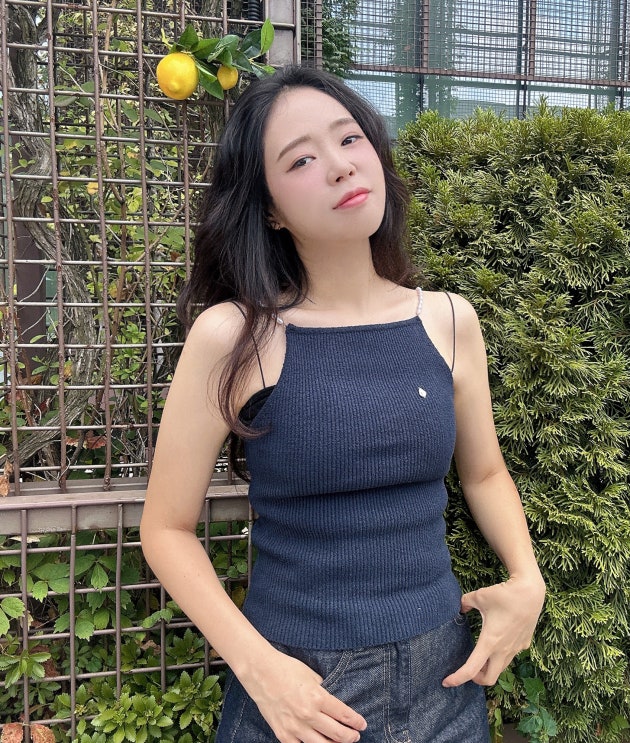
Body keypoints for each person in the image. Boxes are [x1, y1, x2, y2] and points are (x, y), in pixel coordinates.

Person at [140, 64, 546, 743]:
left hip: (445, 682)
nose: (338, 166)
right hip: (300, 692)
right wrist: (260, 669)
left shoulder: (449, 320)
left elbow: (483, 473)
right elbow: (166, 528)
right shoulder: (233, 337)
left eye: (349, 138)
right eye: (300, 159)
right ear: (269, 207)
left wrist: (526, 579)